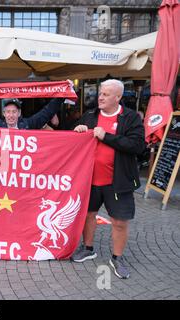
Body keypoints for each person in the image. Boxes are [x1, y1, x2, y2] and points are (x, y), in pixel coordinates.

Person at [71, 79, 145, 279]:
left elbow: (138, 146)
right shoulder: (89, 115)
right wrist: (77, 132)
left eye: (105, 94)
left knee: (120, 222)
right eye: (100, 93)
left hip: (118, 181)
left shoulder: (130, 118)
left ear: (118, 97)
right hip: (90, 179)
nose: (100, 97)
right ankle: (88, 248)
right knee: (88, 215)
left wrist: (107, 137)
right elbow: (75, 143)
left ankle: (117, 258)